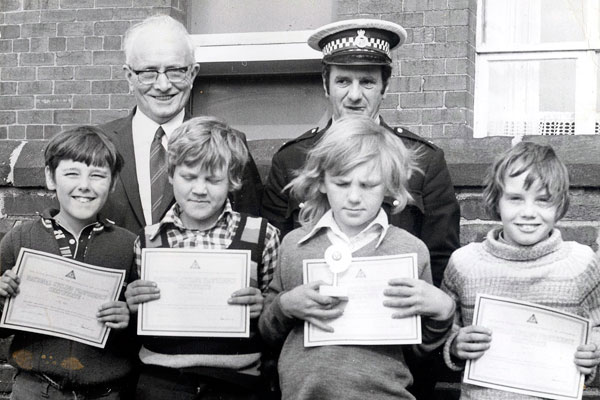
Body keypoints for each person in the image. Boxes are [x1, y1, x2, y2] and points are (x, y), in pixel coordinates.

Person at [259, 117, 455, 400]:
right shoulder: (294, 246)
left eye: (368, 185)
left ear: (388, 185)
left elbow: (419, 350)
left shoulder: (411, 251)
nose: (353, 197)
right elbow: (268, 331)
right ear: (323, 181)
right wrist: (284, 305)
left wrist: (442, 313)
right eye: (342, 183)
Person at [261, 18, 460, 289]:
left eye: (366, 82)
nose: (354, 95)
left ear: (385, 87)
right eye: (343, 81)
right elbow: (275, 263)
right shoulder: (292, 159)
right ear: (325, 84)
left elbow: (440, 264)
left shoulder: (424, 161)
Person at [124, 116, 280, 399]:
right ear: (171, 174)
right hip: (162, 382)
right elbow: (137, 323)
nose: (199, 189)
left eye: (213, 179)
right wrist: (133, 303)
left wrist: (265, 306)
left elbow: (277, 318)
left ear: (232, 180)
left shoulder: (262, 235)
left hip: (237, 384)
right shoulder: (148, 240)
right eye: (189, 176)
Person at [442, 141, 600, 399]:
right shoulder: (465, 263)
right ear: (497, 200)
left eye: (543, 201)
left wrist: (592, 352)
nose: (528, 212)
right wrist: (455, 345)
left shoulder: (580, 264)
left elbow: (596, 327)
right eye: (515, 199)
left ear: (559, 205)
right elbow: (443, 329)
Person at [0, 126, 137, 399]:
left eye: (97, 175)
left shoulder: (129, 246)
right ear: (51, 178)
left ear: (112, 183)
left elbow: (146, 328)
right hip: (35, 388)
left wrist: (130, 318)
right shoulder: (21, 237)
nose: (84, 185)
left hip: (105, 393)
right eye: (72, 173)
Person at [99, 15, 262, 233]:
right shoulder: (100, 142)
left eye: (175, 71)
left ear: (193, 73)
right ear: (129, 77)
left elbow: (248, 233)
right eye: (148, 72)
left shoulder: (229, 144)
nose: (163, 85)